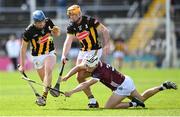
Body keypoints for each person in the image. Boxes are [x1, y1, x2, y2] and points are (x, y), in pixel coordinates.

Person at [61, 55, 177, 109]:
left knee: (108, 108)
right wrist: (67, 76)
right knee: (142, 98)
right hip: (126, 80)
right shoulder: (93, 63)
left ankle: (134, 104)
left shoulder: (100, 72)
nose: (86, 69)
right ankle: (163, 86)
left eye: (89, 68)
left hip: (122, 87)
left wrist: (72, 92)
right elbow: (78, 67)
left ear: (95, 66)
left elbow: (85, 84)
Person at [60, 4, 110, 108]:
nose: (71, 17)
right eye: (70, 15)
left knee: (81, 74)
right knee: (79, 77)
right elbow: (68, 41)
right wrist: (63, 55)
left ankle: (99, 72)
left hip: (95, 50)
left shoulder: (89, 20)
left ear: (79, 14)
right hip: (83, 51)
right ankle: (92, 100)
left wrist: (107, 45)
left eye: (73, 15)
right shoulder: (71, 26)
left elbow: (105, 30)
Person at [18, 10, 60, 106]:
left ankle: (43, 97)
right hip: (37, 57)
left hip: (50, 52)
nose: (41, 24)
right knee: (46, 82)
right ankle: (49, 89)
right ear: (34, 22)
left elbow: (56, 34)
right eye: (38, 22)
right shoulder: (29, 31)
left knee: (48, 69)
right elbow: (23, 48)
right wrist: (22, 65)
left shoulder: (48, 22)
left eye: (42, 21)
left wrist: (56, 32)